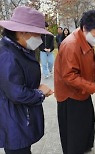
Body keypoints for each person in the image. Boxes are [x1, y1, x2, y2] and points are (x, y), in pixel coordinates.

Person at [0, 6, 53, 154]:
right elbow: (16, 93)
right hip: (13, 121)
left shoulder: (20, 48)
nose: (40, 39)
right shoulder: (7, 55)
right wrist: (39, 93)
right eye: (38, 34)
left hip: (22, 117)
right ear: (22, 32)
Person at [54, 10, 95, 154]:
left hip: (82, 92)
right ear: (85, 28)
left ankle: (84, 148)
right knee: (74, 134)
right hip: (70, 96)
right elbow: (69, 76)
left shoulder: (86, 40)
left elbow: (91, 62)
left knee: (86, 125)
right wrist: (93, 87)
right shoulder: (70, 45)